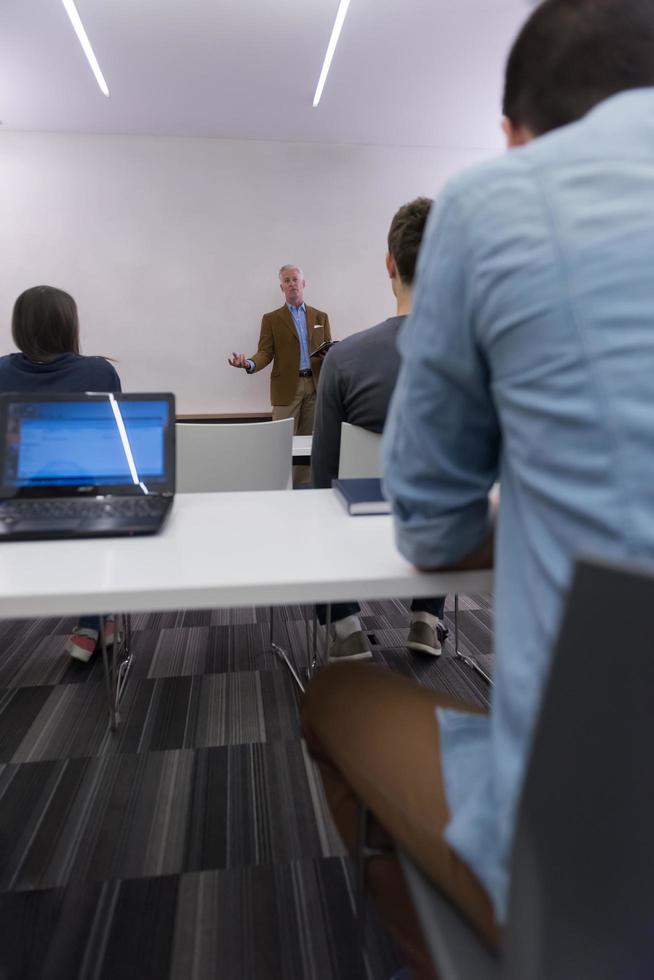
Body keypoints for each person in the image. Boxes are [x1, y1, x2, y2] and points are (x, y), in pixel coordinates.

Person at [301, 1, 654, 976]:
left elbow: (425, 518)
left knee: (330, 696)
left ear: (510, 133)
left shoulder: (489, 206)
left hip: (601, 844)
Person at [311, 198, 447, 661]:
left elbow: (323, 476)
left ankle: (345, 623)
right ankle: (428, 617)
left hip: (360, 524)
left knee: (317, 500)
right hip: (449, 536)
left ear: (390, 263)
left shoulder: (343, 358)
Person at [0, 285, 122, 663]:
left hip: (11, 508)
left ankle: (96, 621)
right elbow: (113, 449)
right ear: (70, 325)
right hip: (83, 508)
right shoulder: (100, 372)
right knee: (105, 500)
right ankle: (95, 620)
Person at [228, 264, 331, 440]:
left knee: (309, 447)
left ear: (303, 283)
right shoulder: (271, 319)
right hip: (286, 388)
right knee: (281, 444)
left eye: (295, 279)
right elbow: (265, 352)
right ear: (281, 287)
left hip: (315, 387)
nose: (292, 284)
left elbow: (328, 349)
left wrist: (331, 355)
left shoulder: (321, 316)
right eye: (287, 280)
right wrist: (249, 363)